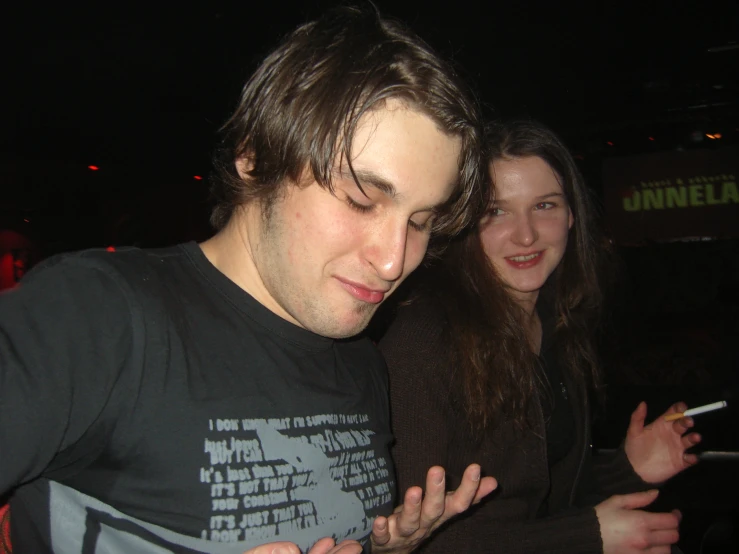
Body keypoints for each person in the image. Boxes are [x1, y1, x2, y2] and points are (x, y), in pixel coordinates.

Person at [0, 6, 497, 554]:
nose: (393, 261)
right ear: (256, 159)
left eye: (420, 221)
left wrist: (384, 548)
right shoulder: (94, 314)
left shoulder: (362, 364)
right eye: (360, 200)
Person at [379, 119, 702, 553]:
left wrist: (627, 468)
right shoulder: (423, 339)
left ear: (571, 216)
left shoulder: (556, 323)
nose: (526, 233)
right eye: (496, 212)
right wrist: (587, 537)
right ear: (463, 226)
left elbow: (546, 495)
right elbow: (416, 544)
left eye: (545, 206)